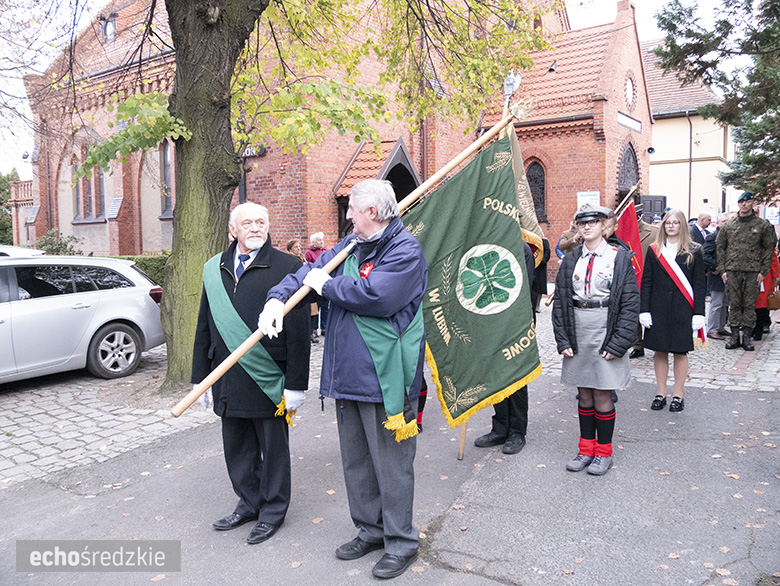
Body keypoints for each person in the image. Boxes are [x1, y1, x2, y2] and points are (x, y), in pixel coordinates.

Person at [261, 179, 427, 580]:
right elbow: (306, 273)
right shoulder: (352, 245)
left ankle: (401, 542)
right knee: (356, 462)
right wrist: (276, 299)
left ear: (372, 212)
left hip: (384, 378)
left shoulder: (404, 249)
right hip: (347, 374)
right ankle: (370, 530)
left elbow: (377, 297)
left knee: (392, 466)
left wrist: (328, 284)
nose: (347, 214)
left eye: (352, 208)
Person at [191, 202, 311, 545]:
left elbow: (300, 331)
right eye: (247, 223)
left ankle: (272, 511)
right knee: (237, 447)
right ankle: (249, 502)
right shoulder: (214, 268)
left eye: (261, 222)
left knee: (273, 450)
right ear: (233, 230)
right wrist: (201, 378)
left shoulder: (289, 267)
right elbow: (204, 325)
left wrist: (296, 384)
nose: (255, 228)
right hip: (228, 376)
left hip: (267, 376)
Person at [552, 203, 639, 476]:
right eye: (582, 222)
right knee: (584, 393)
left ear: (604, 226)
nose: (587, 226)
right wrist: (563, 339)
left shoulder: (619, 257)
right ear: (577, 228)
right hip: (578, 328)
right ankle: (585, 449)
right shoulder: (571, 259)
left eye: (593, 222)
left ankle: (604, 452)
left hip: (606, 327)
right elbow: (561, 302)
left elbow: (630, 304)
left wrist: (619, 343)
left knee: (602, 393)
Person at [640, 209, 706, 413]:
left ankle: (678, 395)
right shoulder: (654, 250)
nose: (671, 226)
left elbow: (699, 284)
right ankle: (660, 393)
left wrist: (699, 313)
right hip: (658, 308)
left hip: (683, 308)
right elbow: (647, 281)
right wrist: (644, 310)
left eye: (676, 222)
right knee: (659, 350)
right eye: (668, 222)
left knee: (680, 351)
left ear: (682, 225)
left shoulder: (695, 250)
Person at [473, 241, 535, 455]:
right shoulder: (483, 245)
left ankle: (517, 431)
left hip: (514, 323)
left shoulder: (520, 247)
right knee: (496, 376)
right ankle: (500, 428)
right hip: (490, 323)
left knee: (515, 377)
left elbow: (520, 287)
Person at [716, 191, 777, 350]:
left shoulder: (762, 225)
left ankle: (747, 337)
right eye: (741, 201)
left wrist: (763, 271)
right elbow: (720, 247)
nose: (744, 204)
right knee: (734, 305)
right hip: (732, 271)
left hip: (752, 272)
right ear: (738, 204)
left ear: (752, 203)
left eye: (747, 201)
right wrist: (722, 270)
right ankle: (735, 336)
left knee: (750, 305)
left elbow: (769, 248)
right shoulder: (729, 225)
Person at [629, 203, 659, 359]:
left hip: (651, 278)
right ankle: (638, 345)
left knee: (653, 312)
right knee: (634, 313)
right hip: (632, 278)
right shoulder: (625, 232)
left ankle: (657, 345)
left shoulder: (655, 232)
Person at [703, 213, 730, 339]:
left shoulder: (731, 237)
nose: (725, 223)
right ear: (718, 223)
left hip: (729, 275)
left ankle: (720, 327)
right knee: (716, 303)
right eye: (723, 221)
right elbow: (705, 255)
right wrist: (716, 268)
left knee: (725, 304)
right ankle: (712, 329)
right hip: (716, 275)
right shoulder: (713, 237)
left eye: (728, 221)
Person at [305, 232, 328, 339]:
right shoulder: (309, 253)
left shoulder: (326, 251)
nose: (321, 242)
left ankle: (324, 328)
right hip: (315, 281)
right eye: (319, 240)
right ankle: (314, 329)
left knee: (325, 306)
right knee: (316, 307)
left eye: (322, 240)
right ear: (313, 242)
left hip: (325, 279)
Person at [753, 249, 779, 341]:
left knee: (762, 303)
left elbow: (772, 258)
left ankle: (759, 329)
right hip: (750, 274)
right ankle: (752, 328)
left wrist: (776, 275)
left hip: (764, 276)